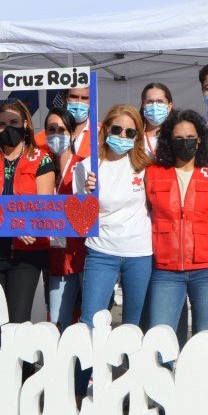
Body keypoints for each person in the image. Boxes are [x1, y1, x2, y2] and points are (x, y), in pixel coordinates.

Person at [145, 109, 208, 345]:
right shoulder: (152, 174)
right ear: (168, 141)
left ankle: (200, 382)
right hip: (164, 270)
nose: (185, 144)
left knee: (205, 339)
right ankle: (161, 382)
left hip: (206, 270)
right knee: (160, 339)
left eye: (191, 138)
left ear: (201, 139)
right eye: (179, 139)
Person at [0, 99, 56, 326]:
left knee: (18, 320)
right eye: (1, 124)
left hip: (26, 252)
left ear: (25, 124)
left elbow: (44, 207)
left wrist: (18, 223)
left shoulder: (41, 159)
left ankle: (23, 363)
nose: (8, 128)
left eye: (13, 122)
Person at [75, 105, 153, 338]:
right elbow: (81, 222)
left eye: (130, 132)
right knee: (90, 321)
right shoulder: (87, 166)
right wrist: (87, 196)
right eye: (117, 129)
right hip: (101, 251)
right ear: (106, 128)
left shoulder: (146, 166)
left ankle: (133, 371)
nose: (122, 136)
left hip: (139, 252)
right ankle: (87, 374)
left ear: (137, 136)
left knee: (134, 324)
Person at [43, 108, 86, 327]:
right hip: (55, 258)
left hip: (83, 254)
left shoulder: (84, 165)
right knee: (59, 322)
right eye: (51, 129)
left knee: (88, 320)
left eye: (61, 129)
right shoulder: (41, 168)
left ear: (71, 134)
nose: (56, 134)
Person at [35, 84, 93, 160]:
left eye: (84, 98)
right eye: (74, 97)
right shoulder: (39, 140)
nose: (79, 103)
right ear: (63, 98)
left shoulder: (101, 134)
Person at [140, 82, 174, 155]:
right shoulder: (134, 135)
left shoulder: (176, 135)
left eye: (160, 101)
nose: (155, 107)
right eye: (150, 101)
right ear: (143, 105)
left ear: (169, 106)